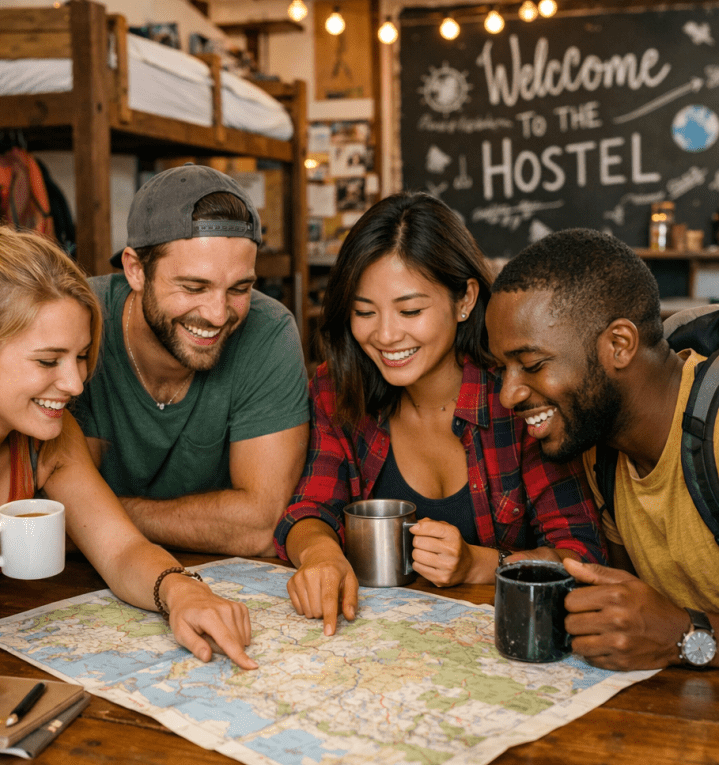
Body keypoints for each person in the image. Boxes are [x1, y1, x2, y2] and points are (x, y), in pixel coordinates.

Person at [0, 208, 256, 669]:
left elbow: (121, 549)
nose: (74, 384)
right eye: (49, 361)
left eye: (81, 357)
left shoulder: (51, 437)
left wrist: (182, 591)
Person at [274, 192, 607, 635]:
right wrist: (320, 554)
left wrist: (480, 563)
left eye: (410, 310)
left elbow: (582, 555)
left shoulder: (515, 398)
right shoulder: (337, 388)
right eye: (364, 312)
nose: (387, 335)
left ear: (465, 299)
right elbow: (309, 507)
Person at [486, 227, 719, 671]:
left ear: (619, 345)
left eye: (532, 365)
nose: (508, 394)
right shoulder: (599, 448)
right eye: (503, 369)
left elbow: (666, 630)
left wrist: (687, 634)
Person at [72, 164, 309, 557]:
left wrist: (96, 514)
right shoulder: (79, 321)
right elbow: (51, 509)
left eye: (240, 288)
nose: (218, 314)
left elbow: (261, 527)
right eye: (193, 287)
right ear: (135, 270)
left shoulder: (269, 331)